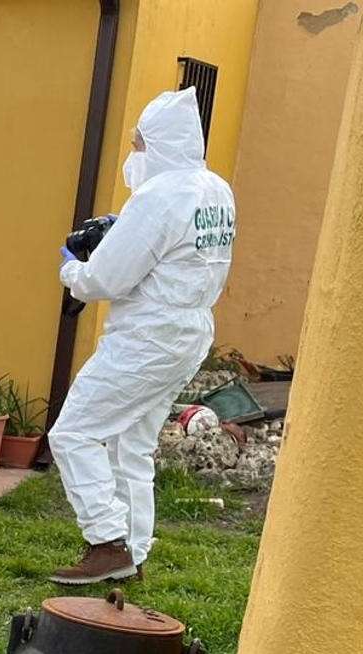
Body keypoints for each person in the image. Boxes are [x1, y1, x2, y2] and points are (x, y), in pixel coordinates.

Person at [49, 89, 236, 584]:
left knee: (73, 432)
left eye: (138, 144)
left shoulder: (157, 197)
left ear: (159, 144)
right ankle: (131, 552)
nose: (133, 155)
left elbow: (105, 280)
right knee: (131, 444)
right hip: (189, 329)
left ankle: (105, 540)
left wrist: (72, 271)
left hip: (146, 337)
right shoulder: (216, 189)